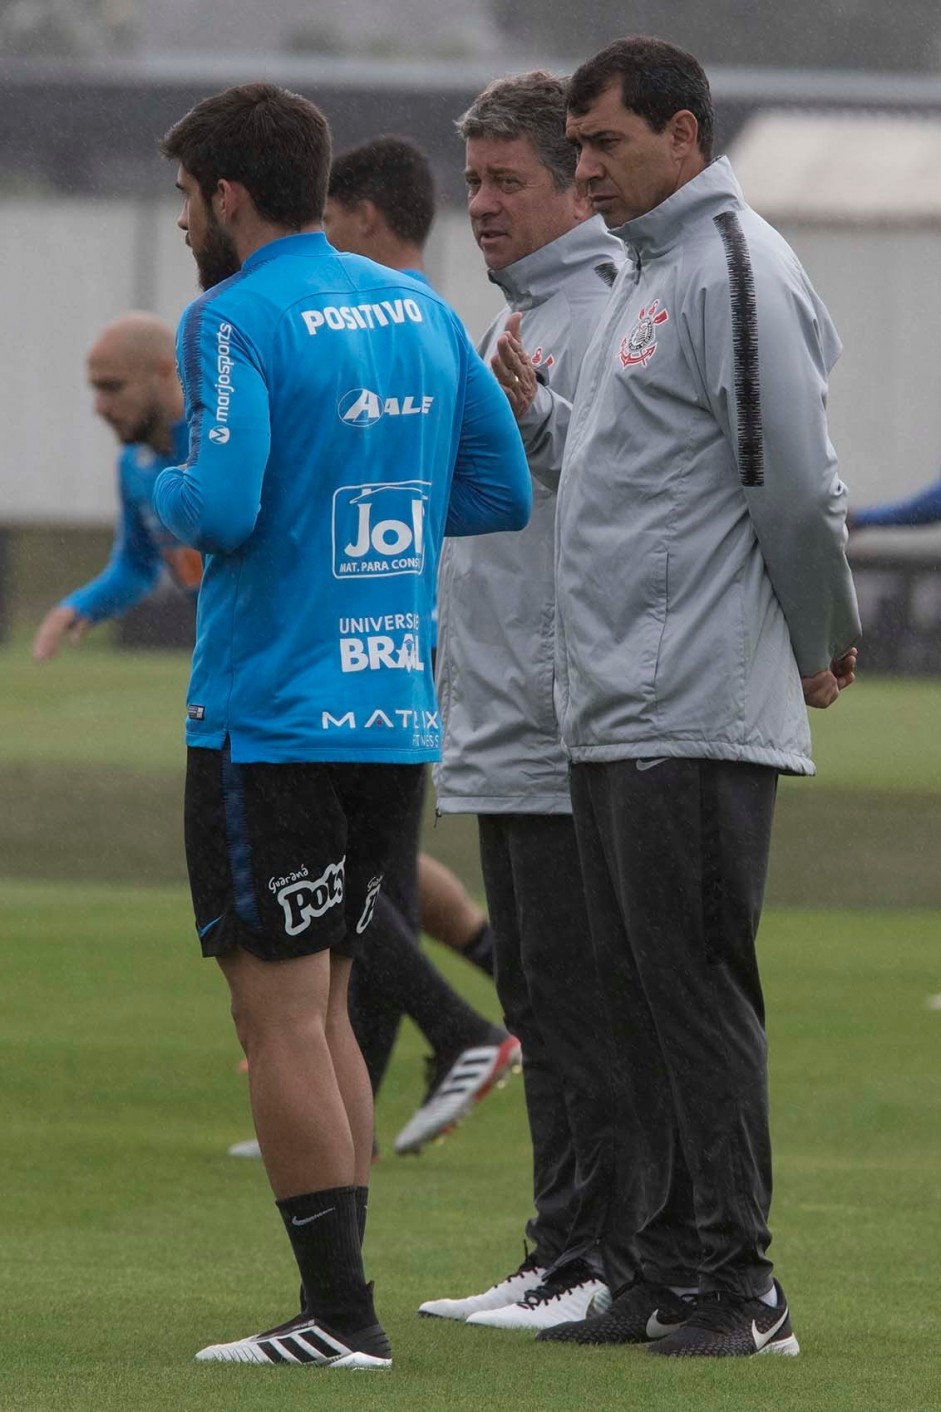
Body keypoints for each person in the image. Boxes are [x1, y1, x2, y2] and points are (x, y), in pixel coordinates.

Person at [154, 82, 531, 1370]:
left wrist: (162, 477)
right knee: (324, 1011)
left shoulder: (230, 318)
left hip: (269, 716)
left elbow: (221, 502)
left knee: (277, 1019)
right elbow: (500, 484)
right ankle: (344, 1304)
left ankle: (337, 1312)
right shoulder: (423, 311)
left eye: (185, 199)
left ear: (228, 194)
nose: (184, 224)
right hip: (390, 713)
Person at [492, 37, 859, 1357]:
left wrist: (822, 636)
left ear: (684, 139)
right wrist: (539, 422)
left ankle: (743, 1286)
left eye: (601, 143)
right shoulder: (653, 276)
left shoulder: (736, 270)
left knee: (694, 990)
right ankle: (657, 1273)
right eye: (576, 146)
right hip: (613, 703)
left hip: (693, 702)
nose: (580, 167)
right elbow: (623, 478)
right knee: (636, 993)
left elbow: (793, 486)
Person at [421, 72, 628, 1332]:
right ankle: (560, 1246)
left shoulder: (599, 310)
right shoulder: (505, 316)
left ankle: (601, 1253)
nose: (482, 204)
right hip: (498, 715)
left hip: (563, 722)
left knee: (577, 999)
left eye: (509, 180)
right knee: (538, 998)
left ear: (574, 181)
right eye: (476, 179)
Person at [322, 134, 517, 1159]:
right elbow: (499, 490)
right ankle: (340, 1099)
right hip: (414, 638)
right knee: (380, 877)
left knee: (325, 873)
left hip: (353, 639)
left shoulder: (355, 331)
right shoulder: (445, 330)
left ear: (357, 216)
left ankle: (461, 1032)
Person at [31, 313, 195, 662]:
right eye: (96, 389)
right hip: (227, 658)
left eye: (113, 387)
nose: (100, 408)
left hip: (299, 651)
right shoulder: (133, 465)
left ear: (166, 371)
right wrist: (80, 606)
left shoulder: (225, 444)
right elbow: (137, 565)